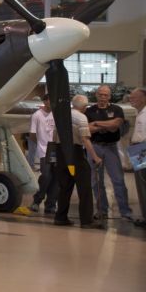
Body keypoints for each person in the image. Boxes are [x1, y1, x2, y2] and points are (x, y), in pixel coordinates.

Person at [54, 95, 104, 229]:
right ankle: (87, 220)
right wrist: (95, 157)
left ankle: (60, 217)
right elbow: (85, 139)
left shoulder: (61, 116)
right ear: (84, 107)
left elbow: (54, 135)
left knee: (65, 186)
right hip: (75, 154)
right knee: (84, 188)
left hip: (61, 152)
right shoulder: (81, 117)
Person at [85, 85, 133, 220]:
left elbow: (115, 125)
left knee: (118, 180)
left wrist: (96, 124)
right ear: (96, 95)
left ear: (109, 96)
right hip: (95, 147)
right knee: (96, 181)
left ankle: (125, 211)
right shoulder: (89, 111)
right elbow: (87, 129)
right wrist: (106, 125)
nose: (103, 97)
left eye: (105, 95)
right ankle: (102, 210)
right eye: (100, 94)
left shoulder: (116, 109)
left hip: (111, 148)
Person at [29, 94, 57, 214]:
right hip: (44, 149)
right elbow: (32, 134)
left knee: (55, 178)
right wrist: (41, 143)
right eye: (50, 100)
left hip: (55, 149)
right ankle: (37, 200)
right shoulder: (37, 115)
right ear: (45, 101)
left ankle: (50, 204)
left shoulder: (56, 114)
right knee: (46, 175)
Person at [128, 87, 146, 228]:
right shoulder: (140, 112)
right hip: (138, 149)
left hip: (142, 149)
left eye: (134, 97)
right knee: (141, 184)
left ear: (143, 98)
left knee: (143, 183)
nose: (131, 99)